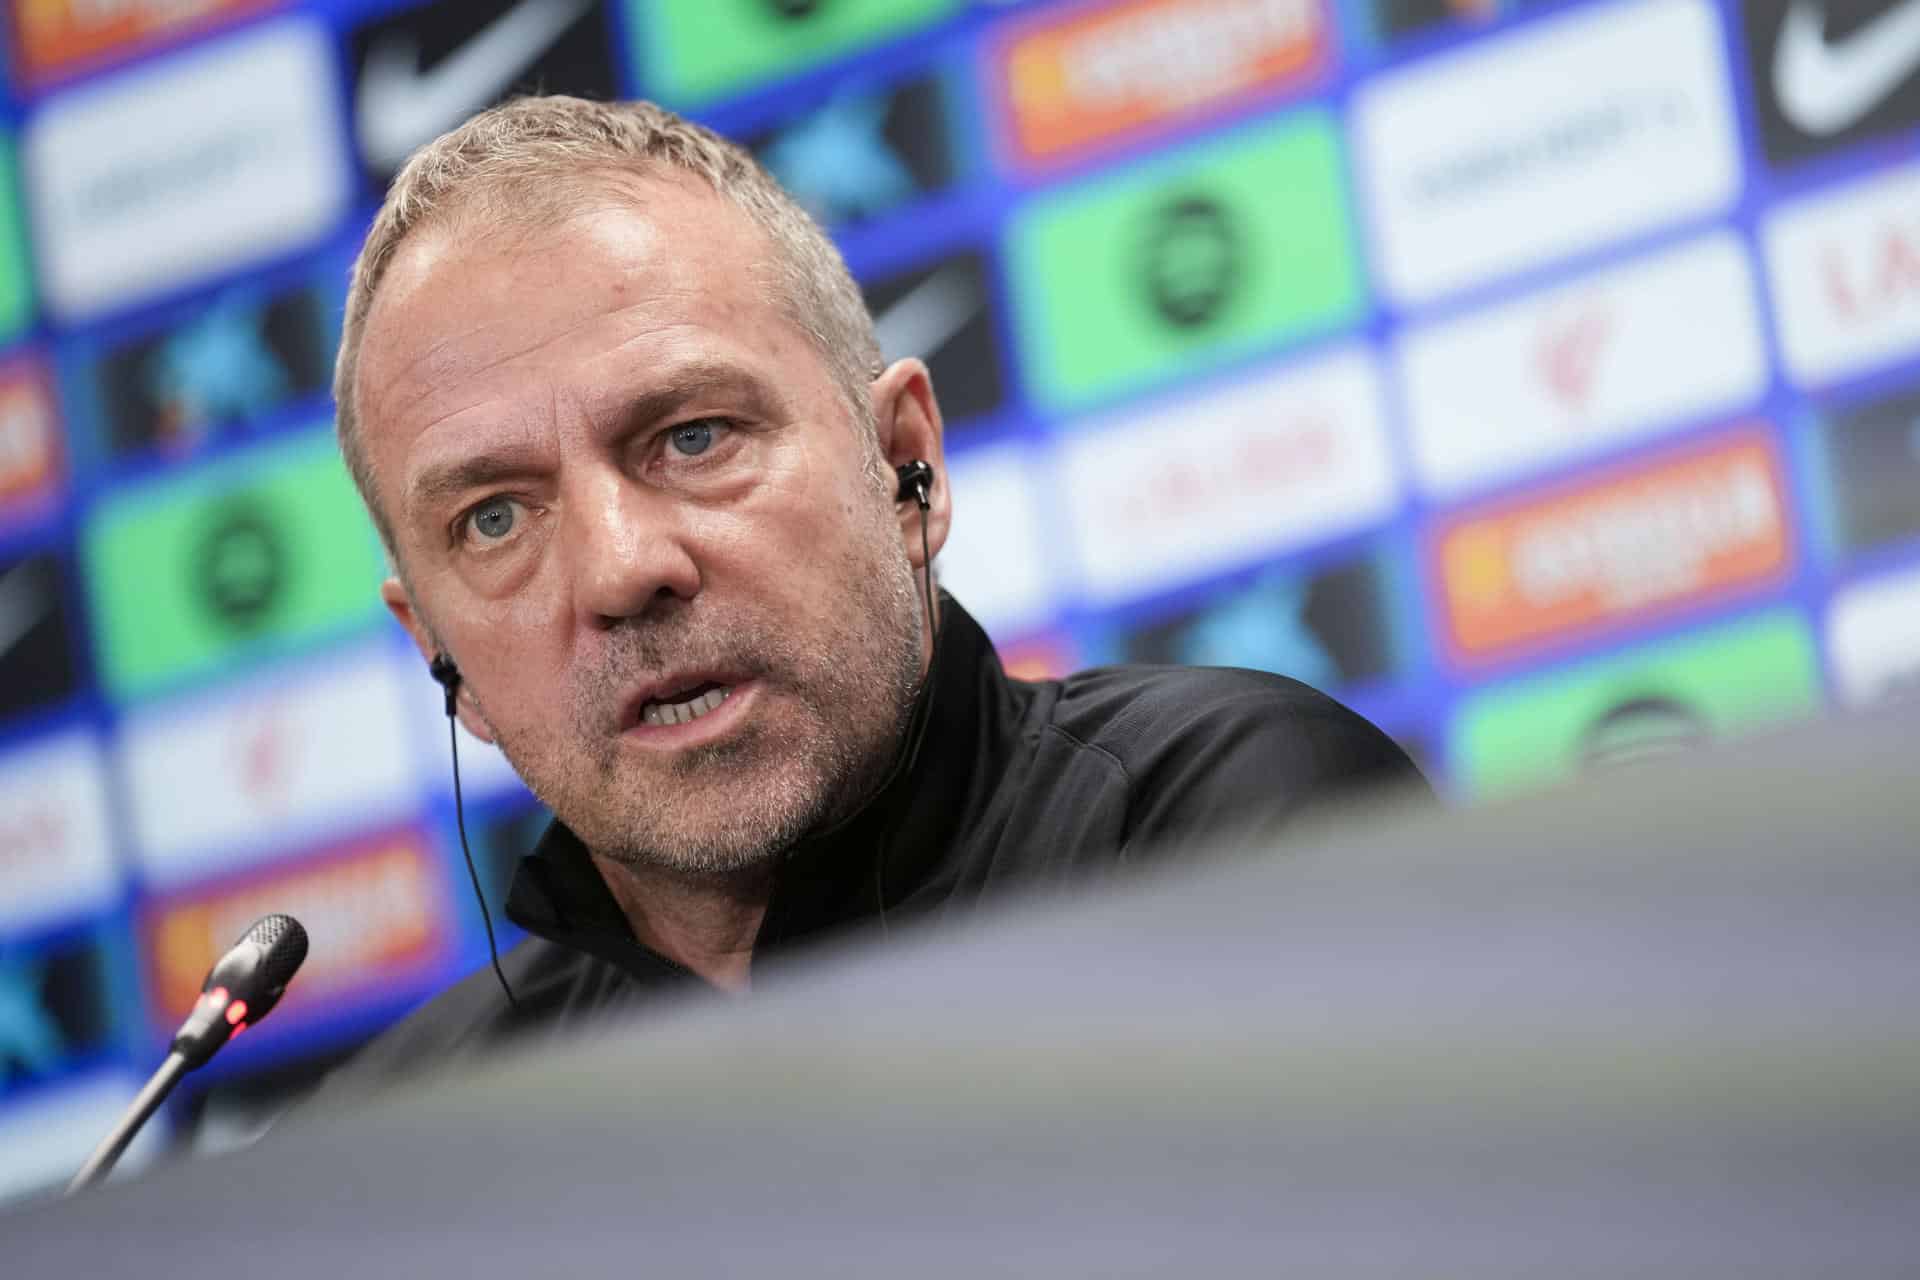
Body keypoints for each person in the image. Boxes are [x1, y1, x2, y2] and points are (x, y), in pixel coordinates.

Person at [320, 96, 1426, 1091]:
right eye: (495, 517)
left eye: (692, 436)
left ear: (908, 465)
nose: (620, 570)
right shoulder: (415, 1127)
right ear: (439, 653)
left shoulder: (1220, 826)